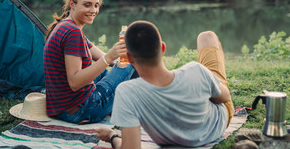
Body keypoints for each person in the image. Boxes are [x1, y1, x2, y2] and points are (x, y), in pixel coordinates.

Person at [96, 21, 235, 148]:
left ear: (129, 57)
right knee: (207, 37)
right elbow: (224, 98)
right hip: (216, 126)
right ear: (163, 48)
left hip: (173, 140)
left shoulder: (127, 92)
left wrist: (112, 136)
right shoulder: (196, 71)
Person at [43, 0, 136, 124]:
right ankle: (146, 106)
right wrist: (112, 57)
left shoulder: (64, 25)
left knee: (109, 71)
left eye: (96, 5)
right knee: (134, 62)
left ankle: (130, 104)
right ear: (72, 4)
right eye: (87, 5)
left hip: (62, 109)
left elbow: (92, 50)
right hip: (84, 109)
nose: (93, 10)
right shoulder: (73, 33)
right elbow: (74, 82)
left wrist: (116, 63)